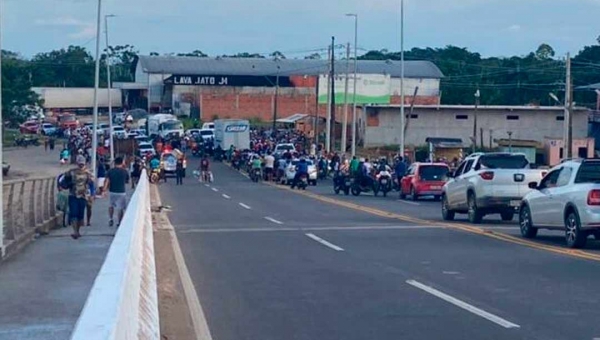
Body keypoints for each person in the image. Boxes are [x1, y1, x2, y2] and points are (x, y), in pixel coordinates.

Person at [61, 155, 93, 239]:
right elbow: (62, 179)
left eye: (82, 164)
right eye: (80, 164)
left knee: (80, 215)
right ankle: (75, 231)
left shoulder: (88, 173)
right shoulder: (71, 172)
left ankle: (77, 231)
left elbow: (91, 184)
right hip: (73, 195)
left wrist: (91, 195)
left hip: (83, 196)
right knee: (74, 213)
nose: (81, 165)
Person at [103, 157, 130, 227]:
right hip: (121, 192)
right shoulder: (124, 171)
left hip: (112, 191)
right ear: (122, 162)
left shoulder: (110, 171)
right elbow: (127, 181)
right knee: (120, 208)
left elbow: (107, 181)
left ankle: (110, 218)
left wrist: (104, 190)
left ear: (115, 163)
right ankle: (119, 222)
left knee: (111, 206)